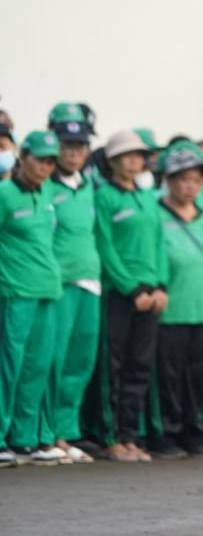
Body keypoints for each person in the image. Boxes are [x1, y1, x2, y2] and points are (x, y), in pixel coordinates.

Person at [93, 130, 168, 462]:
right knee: (114, 367)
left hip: (150, 296)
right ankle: (111, 437)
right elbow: (104, 248)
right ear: (113, 161)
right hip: (122, 295)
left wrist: (161, 285)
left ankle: (130, 436)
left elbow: (159, 245)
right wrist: (131, 287)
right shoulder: (105, 196)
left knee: (139, 368)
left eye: (139, 155)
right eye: (128, 155)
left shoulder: (147, 197)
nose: (135, 160)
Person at [149, 141, 203, 459]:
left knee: (201, 374)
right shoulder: (156, 213)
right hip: (171, 310)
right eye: (183, 179)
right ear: (169, 180)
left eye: (196, 180)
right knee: (169, 375)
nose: (190, 186)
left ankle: (194, 430)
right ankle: (167, 431)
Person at [0, 131, 63, 467]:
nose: (44, 167)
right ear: (22, 157)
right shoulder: (5, 194)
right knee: (8, 366)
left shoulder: (49, 192)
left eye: (51, 161)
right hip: (15, 292)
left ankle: (25, 439)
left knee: (37, 366)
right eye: (39, 159)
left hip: (47, 291)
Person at [40, 119, 100, 464]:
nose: (74, 153)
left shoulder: (89, 185)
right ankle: (46, 433)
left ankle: (65, 431)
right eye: (66, 146)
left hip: (89, 281)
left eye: (80, 146)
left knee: (80, 361)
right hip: (59, 283)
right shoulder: (46, 186)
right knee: (54, 361)